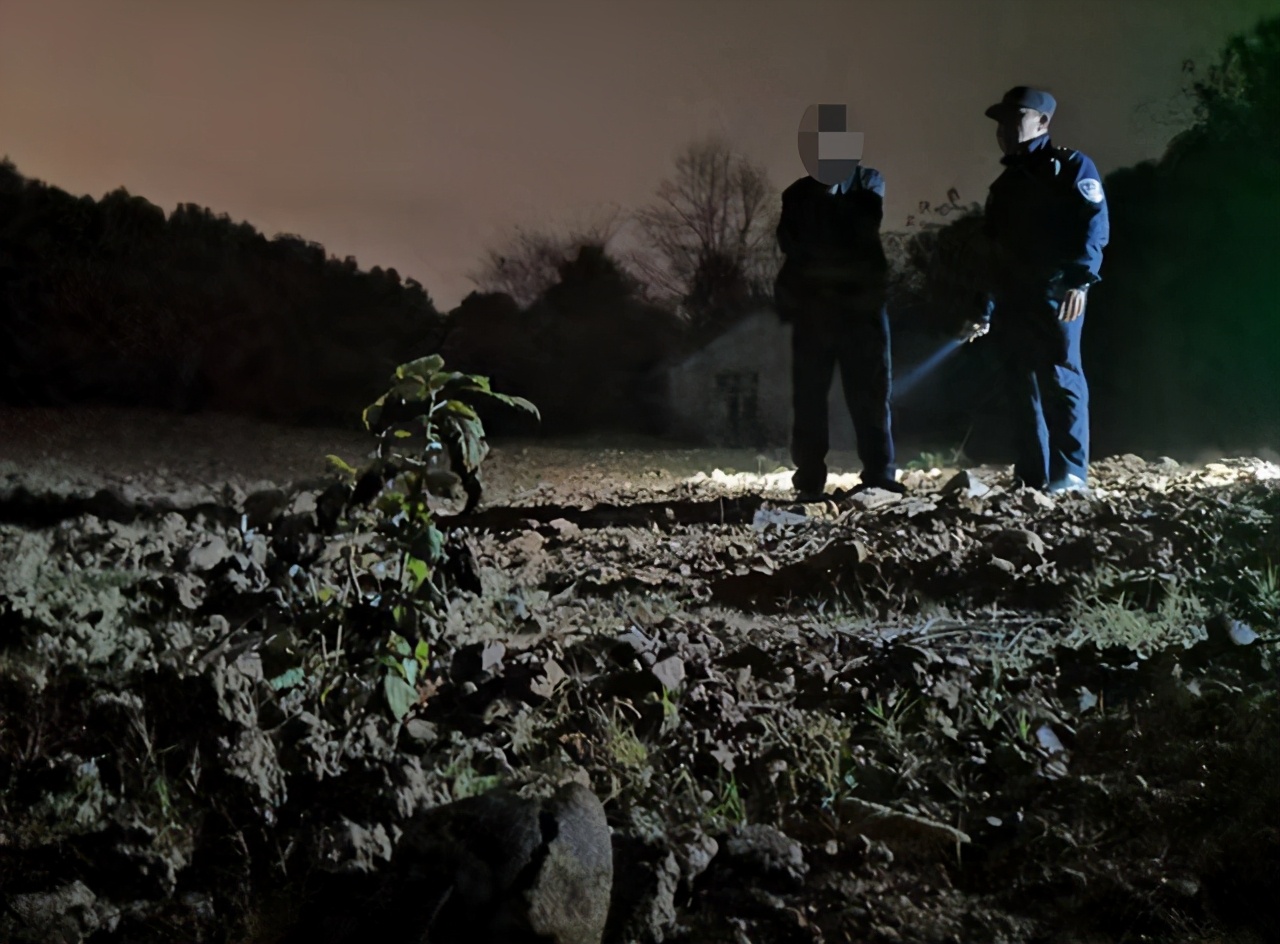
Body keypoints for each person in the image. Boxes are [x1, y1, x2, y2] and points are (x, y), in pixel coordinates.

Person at [964, 86, 1110, 494]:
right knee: (1019, 387)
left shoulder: (1070, 166)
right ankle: (1031, 476)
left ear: (1042, 122)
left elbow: (1093, 222)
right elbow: (991, 253)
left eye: (1015, 119)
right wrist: (984, 307)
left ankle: (1070, 474)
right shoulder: (1003, 187)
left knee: (1061, 379)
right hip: (1012, 300)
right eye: (1001, 124)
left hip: (1055, 294)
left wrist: (1080, 278)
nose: (1005, 130)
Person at [774, 156, 903, 500]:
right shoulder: (798, 193)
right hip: (814, 307)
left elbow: (862, 229)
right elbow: (790, 242)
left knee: (871, 393)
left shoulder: (868, 181)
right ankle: (810, 480)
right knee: (809, 396)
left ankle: (879, 476)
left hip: (860, 308)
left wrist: (818, 241)